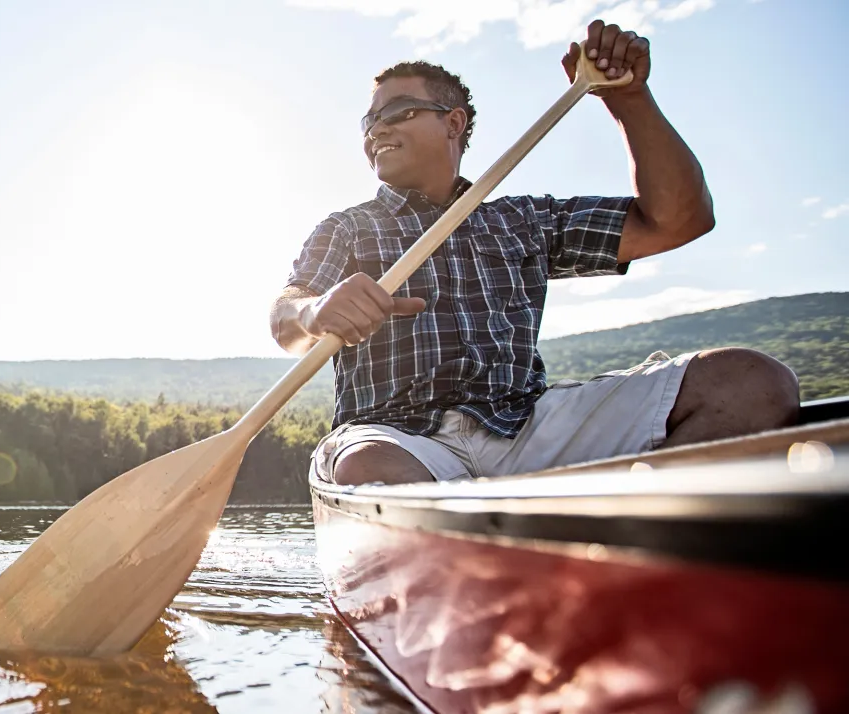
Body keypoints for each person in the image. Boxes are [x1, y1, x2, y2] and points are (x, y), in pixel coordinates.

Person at [271, 20, 801, 486]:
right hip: (395, 437)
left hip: (524, 424)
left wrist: (629, 101)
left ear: (453, 123)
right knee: (367, 466)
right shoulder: (345, 229)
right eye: (370, 122)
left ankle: (629, 538)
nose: (378, 129)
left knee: (751, 381)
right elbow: (285, 318)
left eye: (399, 112)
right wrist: (314, 310)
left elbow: (677, 220)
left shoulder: (522, 220)